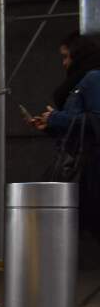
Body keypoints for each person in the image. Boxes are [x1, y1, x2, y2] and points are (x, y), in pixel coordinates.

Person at [28, 32, 100, 240]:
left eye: (67, 56)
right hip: (84, 163)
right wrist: (50, 124)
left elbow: (96, 120)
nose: (64, 63)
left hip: (90, 165)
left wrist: (56, 118)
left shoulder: (93, 78)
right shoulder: (83, 82)